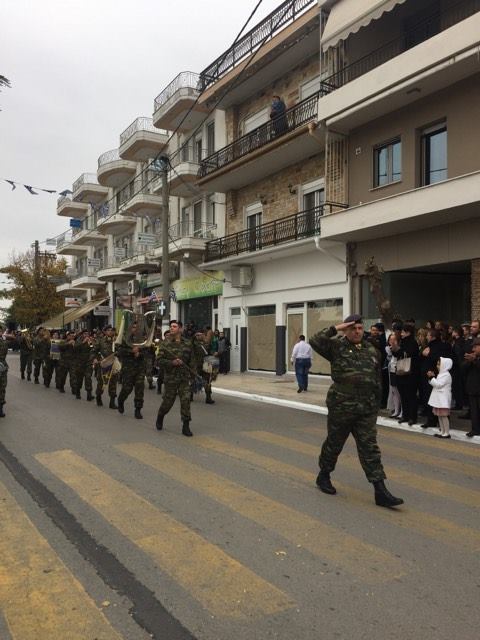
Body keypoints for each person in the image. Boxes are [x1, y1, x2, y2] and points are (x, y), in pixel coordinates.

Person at [309, 314, 403, 508]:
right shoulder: (336, 346)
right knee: (335, 443)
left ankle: (380, 490)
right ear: (346, 330)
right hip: (342, 407)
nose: (357, 331)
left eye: (360, 328)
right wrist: (337, 327)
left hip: (366, 409)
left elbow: (377, 379)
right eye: (353, 328)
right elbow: (315, 340)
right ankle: (324, 475)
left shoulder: (372, 350)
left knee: (370, 447)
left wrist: (376, 406)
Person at [156, 320, 198, 437]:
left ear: (180, 328)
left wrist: (193, 376)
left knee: (185, 401)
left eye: (174, 326)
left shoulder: (188, 343)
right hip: (171, 379)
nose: (172, 328)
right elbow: (158, 361)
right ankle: (160, 416)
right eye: (171, 326)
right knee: (168, 403)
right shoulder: (165, 344)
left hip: (184, 378)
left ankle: (186, 426)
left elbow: (192, 361)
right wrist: (172, 362)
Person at [116, 322, 146, 419]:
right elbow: (118, 351)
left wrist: (140, 354)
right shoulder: (124, 339)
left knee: (139, 389)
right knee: (127, 389)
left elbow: (147, 351)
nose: (135, 329)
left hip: (140, 368)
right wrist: (131, 352)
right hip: (128, 368)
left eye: (137, 327)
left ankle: (138, 409)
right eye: (133, 327)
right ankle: (121, 400)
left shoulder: (142, 340)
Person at [392, 322, 420, 426]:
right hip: (401, 372)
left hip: (410, 373)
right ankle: (405, 415)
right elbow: (397, 354)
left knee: (411, 395)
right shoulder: (402, 342)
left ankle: (413, 417)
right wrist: (394, 348)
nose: (402, 334)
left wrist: (399, 350)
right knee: (403, 395)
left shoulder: (413, 342)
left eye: (403, 332)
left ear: (408, 332)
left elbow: (409, 354)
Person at [92, 326, 118, 409]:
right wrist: (95, 358)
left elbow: (121, 351)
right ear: (105, 332)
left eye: (112, 330)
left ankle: (112, 402)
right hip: (103, 364)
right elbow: (93, 351)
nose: (110, 332)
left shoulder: (117, 341)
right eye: (108, 330)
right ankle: (98, 397)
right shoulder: (101, 341)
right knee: (101, 382)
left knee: (113, 383)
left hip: (114, 364)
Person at [427, 357, 453, 439]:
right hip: (439, 399)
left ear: (445, 365)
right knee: (439, 415)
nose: (437, 366)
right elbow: (436, 384)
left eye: (439, 364)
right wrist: (432, 378)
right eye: (438, 364)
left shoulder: (446, 375)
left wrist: (431, 378)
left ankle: (447, 432)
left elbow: (439, 385)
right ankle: (442, 431)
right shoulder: (441, 374)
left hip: (443, 399)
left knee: (444, 416)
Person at [462, 337, 480, 437]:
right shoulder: (472, 357)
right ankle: (475, 429)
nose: (473, 349)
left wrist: (475, 361)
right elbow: (462, 369)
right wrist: (469, 361)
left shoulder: (475, 359)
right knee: (474, 412)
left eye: (476, 346)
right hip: (472, 388)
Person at [0, 332, 8, 417]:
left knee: (2, 387)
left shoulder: (4, 342)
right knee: (2, 388)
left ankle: (0, 409)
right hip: (2, 366)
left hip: (2, 367)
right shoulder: (4, 342)